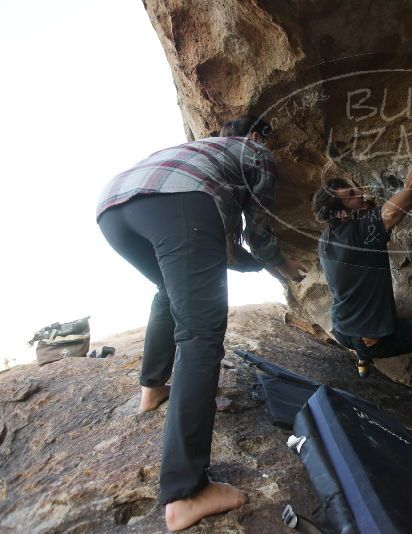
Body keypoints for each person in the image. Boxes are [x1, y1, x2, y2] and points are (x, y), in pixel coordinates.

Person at [96, 115, 306, 531]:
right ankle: (185, 493)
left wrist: (256, 267)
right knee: (201, 335)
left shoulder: (195, 153)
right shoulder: (255, 152)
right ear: (256, 134)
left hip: (113, 207)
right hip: (180, 203)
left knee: (167, 290)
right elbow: (257, 230)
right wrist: (280, 265)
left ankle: (152, 388)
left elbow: (220, 250)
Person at [312, 103, 412, 380]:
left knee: (360, 331)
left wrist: (359, 209)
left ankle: (362, 358)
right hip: (370, 338)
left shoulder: (326, 238)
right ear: (340, 212)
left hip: (341, 329)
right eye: (351, 194)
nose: (359, 191)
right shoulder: (364, 231)